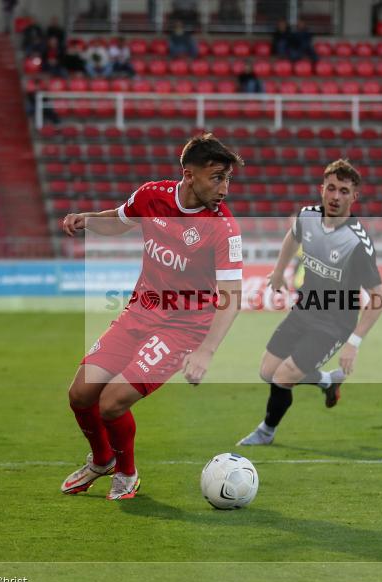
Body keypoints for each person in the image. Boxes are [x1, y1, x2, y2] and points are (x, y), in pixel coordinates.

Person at [59, 134, 244, 500]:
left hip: (183, 329)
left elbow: (232, 296)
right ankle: (102, 460)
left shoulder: (224, 228)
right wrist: (87, 220)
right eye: (217, 177)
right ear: (188, 175)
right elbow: (120, 220)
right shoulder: (151, 195)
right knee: (80, 394)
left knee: (112, 402)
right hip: (140, 312)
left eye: (227, 178)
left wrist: (205, 352)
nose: (224, 188)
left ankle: (127, 474)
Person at [236, 159, 382, 444]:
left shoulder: (357, 243)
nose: (335, 196)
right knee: (267, 371)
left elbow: (378, 297)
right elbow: (292, 238)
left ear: (354, 197)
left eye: (344, 191)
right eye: (331, 188)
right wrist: (278, 271)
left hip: (335, 323)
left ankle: (266, 432)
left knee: (284, 376)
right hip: (305, 309)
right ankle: (327, 381)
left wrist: (353, 343)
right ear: (322, 189)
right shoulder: (307, 217)